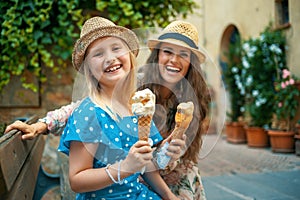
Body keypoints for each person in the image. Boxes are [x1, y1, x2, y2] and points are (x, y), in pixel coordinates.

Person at [6, 20, 209, 200]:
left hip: (153, 182)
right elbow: (78, 174)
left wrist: (168, 192)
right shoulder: (132, 96)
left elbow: (145, 162)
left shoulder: (138, 104)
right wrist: (41, 125)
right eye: (99, 53)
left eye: (184, 54)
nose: (174, 60)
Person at [56, 16, 180, 199]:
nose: (110, 58)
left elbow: (145, 166)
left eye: (116, 48)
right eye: (98, 54)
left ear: (129, 56)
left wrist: (170, 196)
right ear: (89, 69)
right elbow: (77, 180)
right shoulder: (90, 112)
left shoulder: (136, 108)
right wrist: (125, 167)